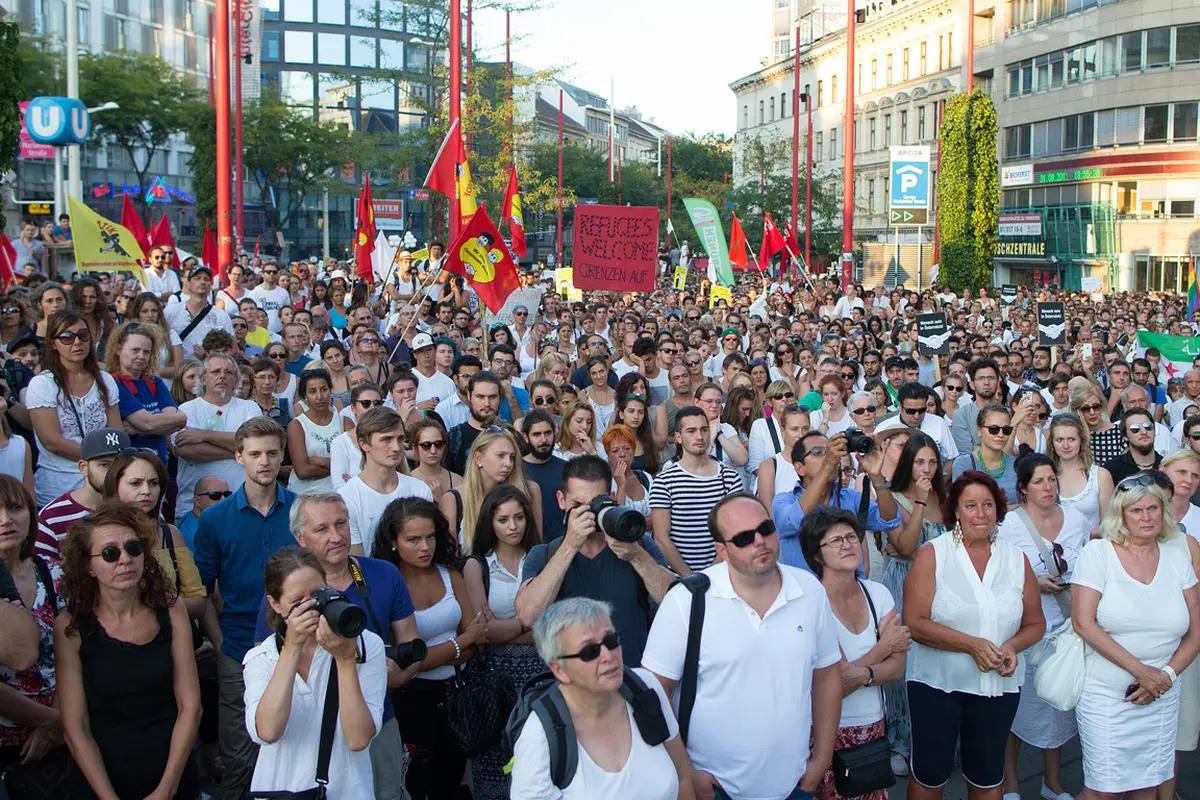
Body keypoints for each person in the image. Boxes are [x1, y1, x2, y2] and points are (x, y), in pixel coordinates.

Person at [642, 492, 842, 800]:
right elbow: (654, 694)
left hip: (794, 784)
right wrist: (685, 774)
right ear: (722, 550)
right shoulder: (688, 600)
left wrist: (822, 757)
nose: (759, 541)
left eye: (765, 529)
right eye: (744, 538)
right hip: (716, 789)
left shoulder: (809, 590)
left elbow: (827, 675)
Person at [903, 471, 1045, 800]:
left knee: (987, 775)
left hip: (998, 687)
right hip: (936, 685)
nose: (980, 514)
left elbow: (1035, 623)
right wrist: (972, 645)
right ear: (955, 510)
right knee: (929, 773)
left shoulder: (1016, 558)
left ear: (999, 509)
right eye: (970, 506)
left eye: (988, 505)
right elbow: (914, 621)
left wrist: (1011, 646)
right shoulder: (933, 554)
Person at [55, 500, 201, 799]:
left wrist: (165, 790)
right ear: (88, 566)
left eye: (134, 549)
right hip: (101, 776)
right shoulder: (70, 628)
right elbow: (75, 727)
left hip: (171, 768)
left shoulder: (172, 612)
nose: (125, 560)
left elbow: (190, 707)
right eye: (110, 553)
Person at [1071, 474, 1200, 798]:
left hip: (1162, 694)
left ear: (1163, 511)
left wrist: (1165, 676)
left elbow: (1197, 628)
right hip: (1106, 695)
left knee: (1147, 785)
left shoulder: (1177, 555)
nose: (1146, 517)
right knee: (1104, 788)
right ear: (1121, 515)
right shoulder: (1098, 554)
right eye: (1137, 510)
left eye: (1153, 508)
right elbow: (1083, 623)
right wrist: (1144, 673)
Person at [193, 417, 296, 800]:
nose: (264, 461)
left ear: (283, 455)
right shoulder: (216, 520)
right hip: (237, 648)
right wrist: (219, 642)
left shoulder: (301, 511)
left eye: (272, 452)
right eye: (255, 454)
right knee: (239, 758)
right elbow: (200, 589)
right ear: (239, 457)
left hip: (297, 645)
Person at [509, 597, 691, 800]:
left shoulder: (645, 687)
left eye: (611, 641)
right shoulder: (539, 738)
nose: (608, 655)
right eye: (589, 651)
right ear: (559, 670)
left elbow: (683, 776)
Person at [244, 545, 386, 799]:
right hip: (281, 791)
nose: (311, 607)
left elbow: (358, 739)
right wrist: (292, 648)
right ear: (275, 604)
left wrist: (345, 661)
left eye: (318, 594)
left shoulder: (367, 645)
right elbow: (268, 731)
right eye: (298, 602)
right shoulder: (261, 658)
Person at [373, 497, 487, 800]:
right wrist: (460, 643)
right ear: (393, 542)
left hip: (456, 694)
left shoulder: (451, 575)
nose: (425, 546)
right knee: (414, 784)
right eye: (413, 539)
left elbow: (479, 641)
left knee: (450, 783)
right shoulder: (386, 584)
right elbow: (404, 663)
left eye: (431, 536)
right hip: (410, 700)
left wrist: (433, 655)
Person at [516, 456, 676, 667]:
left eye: (596, 504)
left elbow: (674, 601)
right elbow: (528, 615)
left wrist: (637, 556)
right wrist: (570, 546)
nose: (589, 513)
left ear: (611, 497)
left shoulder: (639, 545)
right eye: (578, 505)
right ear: (561, 500)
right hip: (572, 689)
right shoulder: (544, 554)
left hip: (631, 680)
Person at [799, 506, 911, 800]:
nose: (848, 544)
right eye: (836, 540)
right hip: (825, 732)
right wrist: (884, 648)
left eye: (851, 536)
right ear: (816, 554)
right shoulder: (811, 605)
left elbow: (897, 669)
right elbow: (833, 687)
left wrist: (856, 674)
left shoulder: (878, 594)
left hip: (873, 725)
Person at [996, 453, 1090, 800]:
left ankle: (1052, 783)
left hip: (1068, 628)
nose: (1048, 487)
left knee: (1060, 705)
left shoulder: (1077, 519)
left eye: (1052, 479)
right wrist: (1034, 582)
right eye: (1039, 481)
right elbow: (999, 576)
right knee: (1019, 707)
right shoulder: (1008, 526)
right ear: (1023, 488)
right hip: (1025, 628)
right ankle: (1011, 783)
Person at [462, 485, 545, 800]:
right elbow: (483, 631)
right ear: (490, 523)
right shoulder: (477, 565)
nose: (513, 526)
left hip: (540, 672)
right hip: (494, 678)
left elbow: (550, 627)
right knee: (494, 766)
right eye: (503, 519)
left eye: (519, 517)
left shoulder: (541, 558)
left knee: (538, 759)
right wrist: (527, 623)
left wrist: (507, 627)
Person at [0, 475, 66, 775]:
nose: (5, 520)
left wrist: (60, 721)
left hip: (61, 732)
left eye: (14, 508)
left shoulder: (53, 573)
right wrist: (51, 721)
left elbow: (76, 651)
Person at [25, 310, 121, 506]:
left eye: (82, 335)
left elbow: (116, 434)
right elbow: (53, 442)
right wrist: (101, 458)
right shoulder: (42, 383)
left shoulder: (105, 380)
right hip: (58, 488)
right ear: (52, 343)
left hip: (102, 487)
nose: (77, 342)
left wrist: (106, 465)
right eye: (67, 337)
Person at [773, 432, 900, 572]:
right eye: (818, 452)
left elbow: (890, 520)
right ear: (800, 468)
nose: (830, 456)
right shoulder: (784, 501)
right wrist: (827, 466)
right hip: (808, 592)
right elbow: (794, 521)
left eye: (830, 450)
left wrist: (877, 476)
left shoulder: (851, 498)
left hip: (850, 589)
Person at [648, 405, 744, 574]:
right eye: (691, 431)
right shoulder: (664, 481)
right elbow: (661, 538)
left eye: (704, 430)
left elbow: (735, 531)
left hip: (722, 575)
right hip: (679, 579)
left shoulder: (730, 478)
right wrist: (690, 578)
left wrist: (711, 574)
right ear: (678, 437)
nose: (699, 436)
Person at [173, 353, 262, 521]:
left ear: (235, 380)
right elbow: (188, 450)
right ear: (203, 379)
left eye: (228, 372)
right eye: (215, 372)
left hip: (242, 507)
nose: (222, 376)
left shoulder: (250, 407)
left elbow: (257, 443)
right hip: (193, 511)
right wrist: (242, 453)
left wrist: (203, 435)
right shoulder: (186, 410)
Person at [342, 407, 434, 556]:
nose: (397, 447)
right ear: (364, 444)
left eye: (400, 439)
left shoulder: (419, 489)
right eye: (386, 439)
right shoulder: (347, 498)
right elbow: (357, 562)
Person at [35, 427, 129, 562]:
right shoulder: (51, 518)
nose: (113, 472)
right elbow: (44, 575)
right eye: (105, 465)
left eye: (120, 465)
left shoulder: (138, 505)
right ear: (83, 467)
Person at [440, 427, 541, 549]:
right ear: (478, 458)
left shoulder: (529, 490)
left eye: (512, 457)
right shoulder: (453, 499)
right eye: (500, 455)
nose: (508, 463)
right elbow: (449, 557)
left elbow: (537, 547)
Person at [106, 321, 187, 466]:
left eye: (146, 352)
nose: (141, 356)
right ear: (118, 349)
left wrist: (137, 428)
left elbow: (179, 419)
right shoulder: (113, 384)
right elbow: (148, 423)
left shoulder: (155, 382)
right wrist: (158, 425)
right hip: (130, 467)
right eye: (135, 350)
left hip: (160, 466)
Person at [286, 368, 354, 494]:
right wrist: (338, 466)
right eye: (312, 391)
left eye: (324, 389)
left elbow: (354, 464)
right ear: (305, 396)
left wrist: (319, 461)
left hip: (339, 493)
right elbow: (302, 471)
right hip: (306, 494)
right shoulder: (297, 426)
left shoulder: (345, 422)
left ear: (330, 390)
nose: (319, 396)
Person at [1096, 408, 1163, 515]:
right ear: (1125, 436)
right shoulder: (1111, 469)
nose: (1144, 432)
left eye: (1148, 427)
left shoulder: (1167, 466)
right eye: (1135, 429)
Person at [952, 404, 1019, 507]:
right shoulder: (964, 463)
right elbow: (962, 504)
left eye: (1006, 430)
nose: (1001, 435)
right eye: (994, 429)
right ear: (979, 430)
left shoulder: (1017, 464)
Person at [1047, 413, 1101, 535]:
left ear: (1081, 441)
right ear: (1052, 443)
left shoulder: (1100, 475)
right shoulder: (1045, 477)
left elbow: (1110, 523)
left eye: (1071, 439)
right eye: (1060, 440)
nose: (1066, 446)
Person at [164, 265, 233, 359]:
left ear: (211, 285)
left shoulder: (222, 316)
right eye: (197, 278)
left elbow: (232, 350)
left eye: (206, 279)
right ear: (188, 283)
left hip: (208, 370)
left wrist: (208, 355)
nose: (202, 282)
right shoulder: (170, 312)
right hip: (178, 370)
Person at [521, 409, 568, 543]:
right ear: (526, 437)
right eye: (537, 434)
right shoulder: (516, 471)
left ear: (555, 432)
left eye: (548, 433)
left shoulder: (568, 469)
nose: (544, 440)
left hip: (564, 543)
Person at [445, 370, 503, 475]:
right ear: (469, 396)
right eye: (480, 397)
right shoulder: (454, 437)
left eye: (492, 397)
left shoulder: (509, 435)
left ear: (500, 398)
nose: (487, 403)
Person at [755, 405, 811, 509]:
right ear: (782, 430)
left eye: (805, 429)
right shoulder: (769, 466)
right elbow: (768, 512)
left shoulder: (817, 463)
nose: (801, 435)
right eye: (794, 429)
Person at [1071, 381, 1126, 467]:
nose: (1092, 412)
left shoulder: (1119, 431)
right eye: (1086, 408)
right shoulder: (1075, 435)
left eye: (1096, 406)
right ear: (1078, 411)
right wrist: (1086, 435)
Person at [176, 476, 231, 548]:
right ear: (197, 501)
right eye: (215, 495)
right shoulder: (194, 535)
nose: (223, 500)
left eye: (227, 495)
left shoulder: (207, 521)